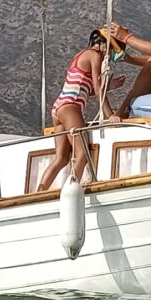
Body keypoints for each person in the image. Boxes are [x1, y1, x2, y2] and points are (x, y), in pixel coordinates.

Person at [37, 28, 119, 191]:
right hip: (71, 107)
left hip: (59, 107)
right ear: (103, 45)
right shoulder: (94, 56)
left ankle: (39, 193)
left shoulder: (81, 55)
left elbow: (84, 87)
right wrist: (110, 115)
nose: (108, 55)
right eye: (109, 50)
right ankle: (70, 194)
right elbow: (97, 87)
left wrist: (108, 86)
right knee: (82, 155)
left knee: (61, 159)